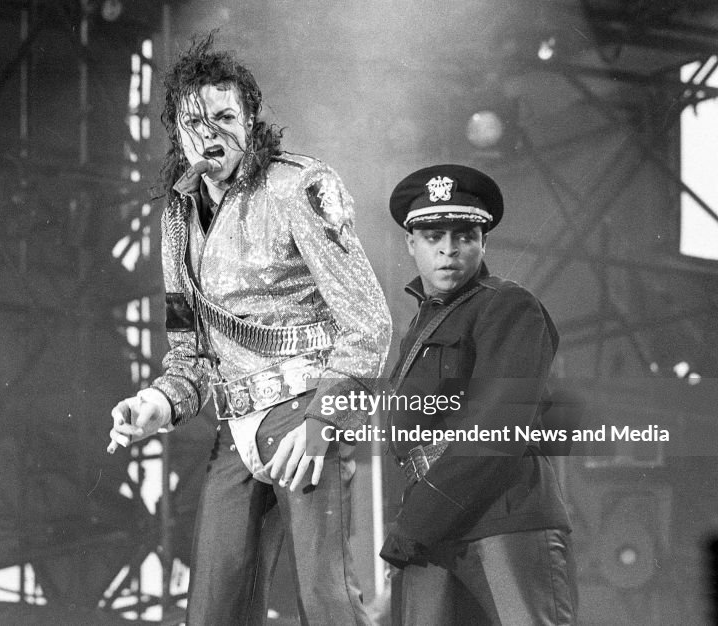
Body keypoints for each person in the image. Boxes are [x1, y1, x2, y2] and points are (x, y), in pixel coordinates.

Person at [107, 35, 392, 625]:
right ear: (176, 132)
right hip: (236, 430)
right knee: (212, 609)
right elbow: (189, 354)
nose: (209, 133)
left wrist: (322, 424)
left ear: (252, 119)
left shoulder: (299, 186)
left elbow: (369, 323)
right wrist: (155, 403)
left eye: (225, 117)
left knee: (328, 601)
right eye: (193, 122)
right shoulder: (177, 217)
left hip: (307, 412)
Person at [379, 164, 577, 625]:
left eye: (464, 234)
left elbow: (497, 428)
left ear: (483, 242)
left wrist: (413, 526)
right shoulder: (422, 327)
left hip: (504, 519)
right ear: (411, 244)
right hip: (434, 528)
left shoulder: (507, 305)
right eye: (433, 236)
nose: (449, 248)